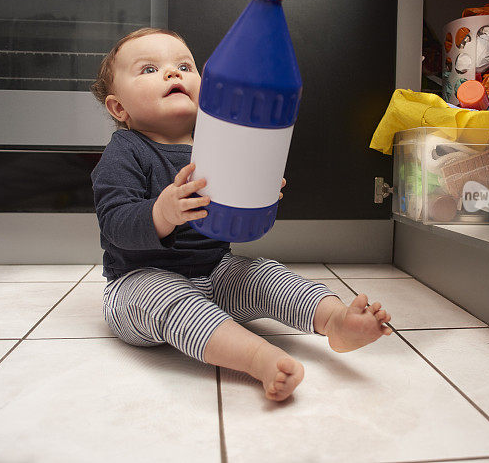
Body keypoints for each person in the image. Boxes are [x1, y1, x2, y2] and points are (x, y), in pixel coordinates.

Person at [90, 28, 393, 401]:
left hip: (215, 272)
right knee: (164, 293)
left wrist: (257, 197)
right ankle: (257, 357)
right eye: (149, 69)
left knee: (263, 272)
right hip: (137, 283)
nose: (172, 74)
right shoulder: (125, 151)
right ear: (119, 108)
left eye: (184, 66)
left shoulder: (217, 145)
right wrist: (163, 211)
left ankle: (335, 320)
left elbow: (237, 224)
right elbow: (116, 224)